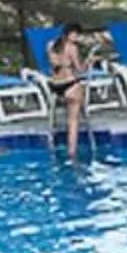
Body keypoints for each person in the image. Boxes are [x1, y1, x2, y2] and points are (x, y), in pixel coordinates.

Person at [46, 26, 96, 160]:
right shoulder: (72, 48)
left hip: (55, 85)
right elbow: (80, 70)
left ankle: (53, 146)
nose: (76, 38)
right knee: (73, 121)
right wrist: (88, 61)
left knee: (69, 109)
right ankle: (72, 153)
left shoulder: (51, 45)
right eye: (76, 35)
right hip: (70, 85)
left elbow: (54, 64)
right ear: (69, 34)